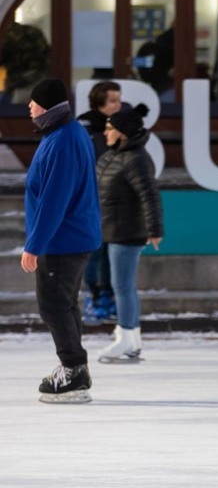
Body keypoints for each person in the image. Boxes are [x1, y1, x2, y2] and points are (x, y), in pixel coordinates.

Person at [21, 78, 101, 403]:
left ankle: (73, 368)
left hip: (62, 240)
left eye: (34, 101)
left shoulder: (62, 141)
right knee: (65, 304)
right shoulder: (66, 133)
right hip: (73, 236)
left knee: (53, 305)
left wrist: (34, 245)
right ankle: (73, 366)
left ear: (48, 107)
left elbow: (54, 200)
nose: (28, 106)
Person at [94, 104, 163, 363]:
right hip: (110, 228)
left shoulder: (136, 159)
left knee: (122, 286)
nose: (105, 132)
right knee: (123, 286)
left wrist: (155, 229)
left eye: (110, 128)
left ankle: (125, 340)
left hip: (127, 231)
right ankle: (131, 340)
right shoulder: (113, 155)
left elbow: (150, 196)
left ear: (122, 132)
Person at [77, 81, 124, 326]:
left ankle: (108, 295)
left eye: (119, 99)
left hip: (113, 199)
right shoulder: (84, 128)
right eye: (113, 100)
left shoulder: (121, 126)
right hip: (90, 199)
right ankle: (94, 296)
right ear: (99, 102)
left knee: (109, 249)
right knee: (93, 249)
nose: (118, 105)